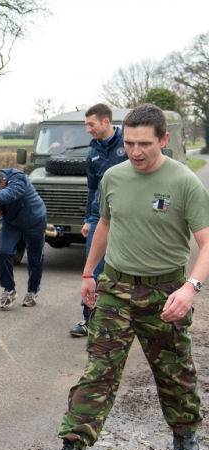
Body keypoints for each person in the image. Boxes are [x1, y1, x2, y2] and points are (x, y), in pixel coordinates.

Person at [34, 104, 209, 450]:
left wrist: (189, 288)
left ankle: (184, 437)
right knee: (100, 370)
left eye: (144, 143)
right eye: (129, 142)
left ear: (164, 140)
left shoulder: (184, 182)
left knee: (173, 369)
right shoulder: (113, 177)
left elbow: (206, 243)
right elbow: (104, 225)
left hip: (165, 291)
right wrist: (87, 273)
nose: (135, 151)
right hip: (116, 287)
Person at [69, 103, 127, 337]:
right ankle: (90, 319)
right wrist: (88, 219)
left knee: (123, 268)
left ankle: (122, 318)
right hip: (99, 216)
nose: (88, 130)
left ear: (105, 122)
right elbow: (92, 188)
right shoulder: (92, 151)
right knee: (92, 269)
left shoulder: (127, 143)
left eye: (90, 124)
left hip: (127, 216)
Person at [0, 169, 47, 309]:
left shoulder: (18, 178)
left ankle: (32, 291)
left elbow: (8, 194)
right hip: (11, 221)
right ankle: (9, 290)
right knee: (3, 252)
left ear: (4, 181)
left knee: (35, 257)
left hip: (34, 219)